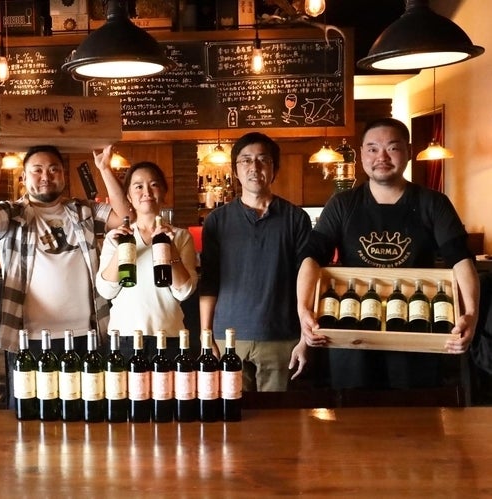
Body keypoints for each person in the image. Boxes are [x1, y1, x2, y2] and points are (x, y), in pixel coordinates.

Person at [293, 117, 479, 389]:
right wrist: (303, 311)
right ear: (361, 154)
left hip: (416, 326)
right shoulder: (342, 204)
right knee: (352, 409)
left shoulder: (432, 203)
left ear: (409, 151)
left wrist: (471, 313)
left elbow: (460, 259)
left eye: (392, 148)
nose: (381, 157)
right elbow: (311, 257)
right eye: (372, 149)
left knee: (413, 408)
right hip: (351, 326)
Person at [0, 129, 130, 407]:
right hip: (30, 338)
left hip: (86, 334)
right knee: (30, 416)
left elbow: (125, 217)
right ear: (23, 178)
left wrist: (104, 168)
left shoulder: (81, 210)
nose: (46, 176)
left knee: (85, 412)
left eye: (54, 169)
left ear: (63, 176)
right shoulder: (14, 214)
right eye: (37, 170)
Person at [198, 132, 312, 392]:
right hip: (227, 338)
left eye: (263, 160)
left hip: (280, 337)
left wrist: (304, 338)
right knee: (231, 411)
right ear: (235, 170)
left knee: (276, 415)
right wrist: (206, 336)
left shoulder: (296, 218)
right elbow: (209, 281)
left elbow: (307, 279)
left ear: (275, 169)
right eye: (246, 160)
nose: (254, 167)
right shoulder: (217, 221)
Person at [96, 161, 198, 359]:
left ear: (164, 192)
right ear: (129, 196)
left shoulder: (180, 236)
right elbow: (106, 290)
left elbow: (184, 291)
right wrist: (121, 248)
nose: (147, 192)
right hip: (124, 339)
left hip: (169, 338)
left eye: (154, 184)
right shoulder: (115, 237)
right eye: (138, 186)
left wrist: (170, 248)